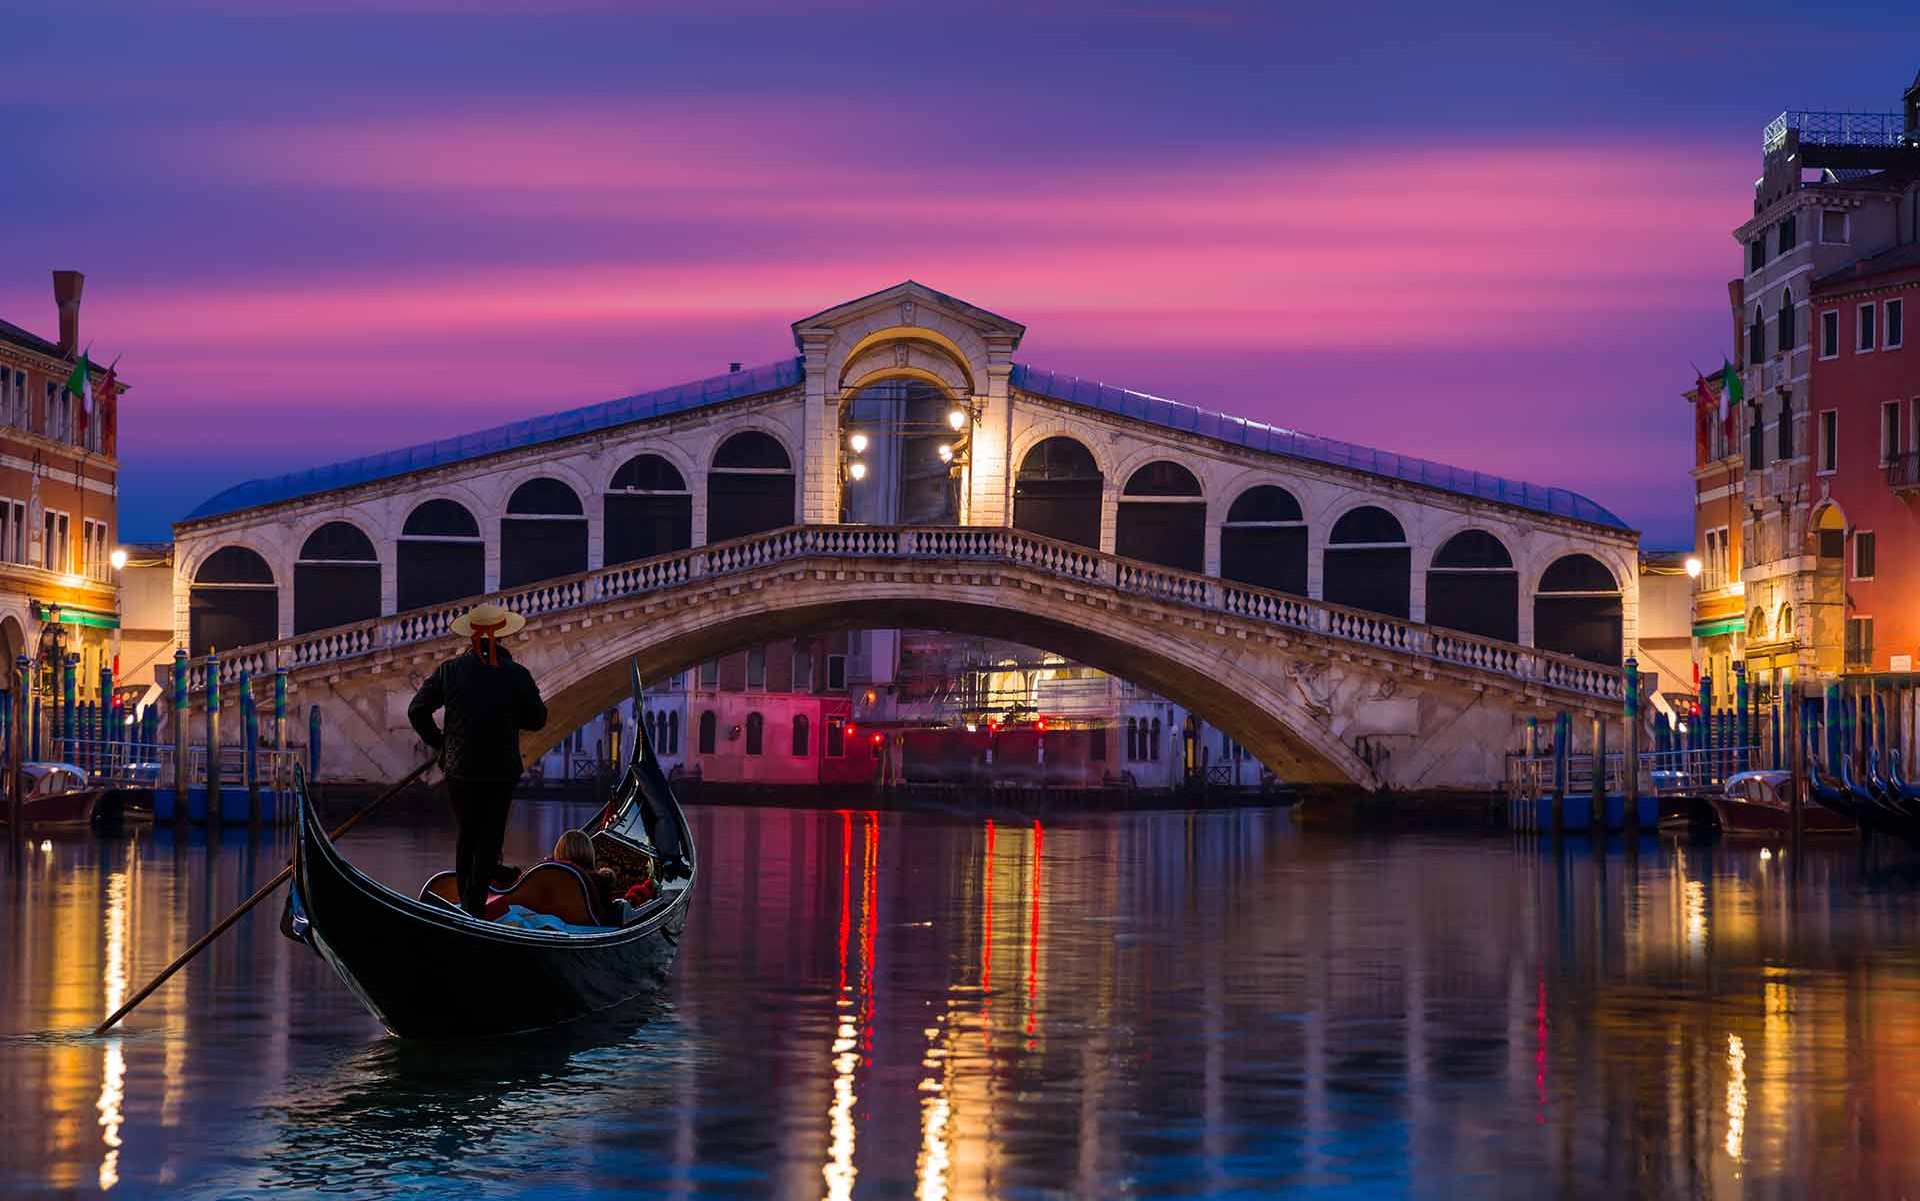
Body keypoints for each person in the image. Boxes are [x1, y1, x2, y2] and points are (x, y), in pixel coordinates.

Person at [408, 601, 548, 919]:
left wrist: (441, 744)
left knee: (467, 835)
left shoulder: (450, 671)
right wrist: (513, 714)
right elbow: (538, 719)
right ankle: (473, 906)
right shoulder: (516, 674)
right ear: (500, 636)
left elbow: (417, 711)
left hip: (460, 768)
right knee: (489, 837)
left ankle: (467, 904)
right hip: (500, 770)